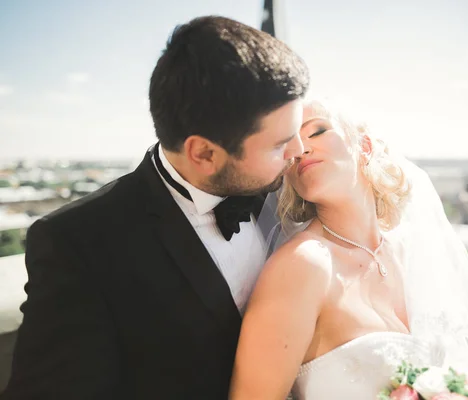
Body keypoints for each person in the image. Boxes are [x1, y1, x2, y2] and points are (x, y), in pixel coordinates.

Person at [1, 16, 309, 399]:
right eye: (280, 144)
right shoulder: (77, 244)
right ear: (204, 153)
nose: (300, 150)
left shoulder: (297, 191)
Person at [229, 98, 468, 400]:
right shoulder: (303, 265)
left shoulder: (412, 252)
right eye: (290, 145)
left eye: (317, 131)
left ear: (366, 147)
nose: (300, 149)